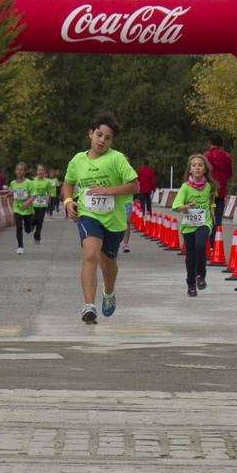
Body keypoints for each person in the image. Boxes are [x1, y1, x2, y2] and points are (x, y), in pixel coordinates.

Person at [61, 112, 138, 325]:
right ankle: (89, 306)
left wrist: (108, 191)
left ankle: (109, 292)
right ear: (91, 133)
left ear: (112, 141)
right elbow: (68, 183)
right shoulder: (78, 160)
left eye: (108, 137)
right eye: (99, 134)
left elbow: (134, 185)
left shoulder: (117, 158)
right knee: (90, 255)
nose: (102, 140)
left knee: (108, 265)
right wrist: (68, 202)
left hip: (113, 221)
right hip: (89, 215)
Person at [171, 154, 216, 297]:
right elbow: (175, 206)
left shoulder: (209, 187)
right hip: (189, 226)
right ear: (190, 170)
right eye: (194, 165)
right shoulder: (185, 187)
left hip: (204, 223)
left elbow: (212, 201)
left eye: (200, 165)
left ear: (205, 169)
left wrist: (213, 209)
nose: (197, 167)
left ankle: (201, 276)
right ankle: (191, 284)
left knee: (201, 246)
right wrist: (185, 206)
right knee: (190, 256)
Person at [203, 133, 232, 247]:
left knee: (207, 214)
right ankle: (215, 239)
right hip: (220, 192)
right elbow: (229, 173)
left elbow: (201, 171)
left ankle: (205, 239)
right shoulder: (227, 157)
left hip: (207, 192)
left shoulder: (206, 155)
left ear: (210, 143)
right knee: (218, 217)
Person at [9, 161, 35, 254]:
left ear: (25, 172)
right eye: (18, 170)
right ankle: (20, 246)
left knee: (28, 230)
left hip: (27, 210)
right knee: (19, 227)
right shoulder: (12, 183)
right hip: (17, 208)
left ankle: (31, 226)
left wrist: (27, 202)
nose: (19, 172)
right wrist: (9, 194)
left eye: (21, 170)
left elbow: (33, 195)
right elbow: (12, 192)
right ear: (15, 171)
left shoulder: (29, 183)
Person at [29, 163, 51, 243]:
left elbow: (48, 192)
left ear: (44, 171)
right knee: (34, 219)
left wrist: (48, 198)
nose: (40, 171)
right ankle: (32, 225)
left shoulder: (47, 182)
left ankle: (37, 237)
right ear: (37, 171)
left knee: (40, 221)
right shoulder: (33, 181)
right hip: (34, 204)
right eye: (39, 170)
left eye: (42, 170)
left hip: (43, 204)